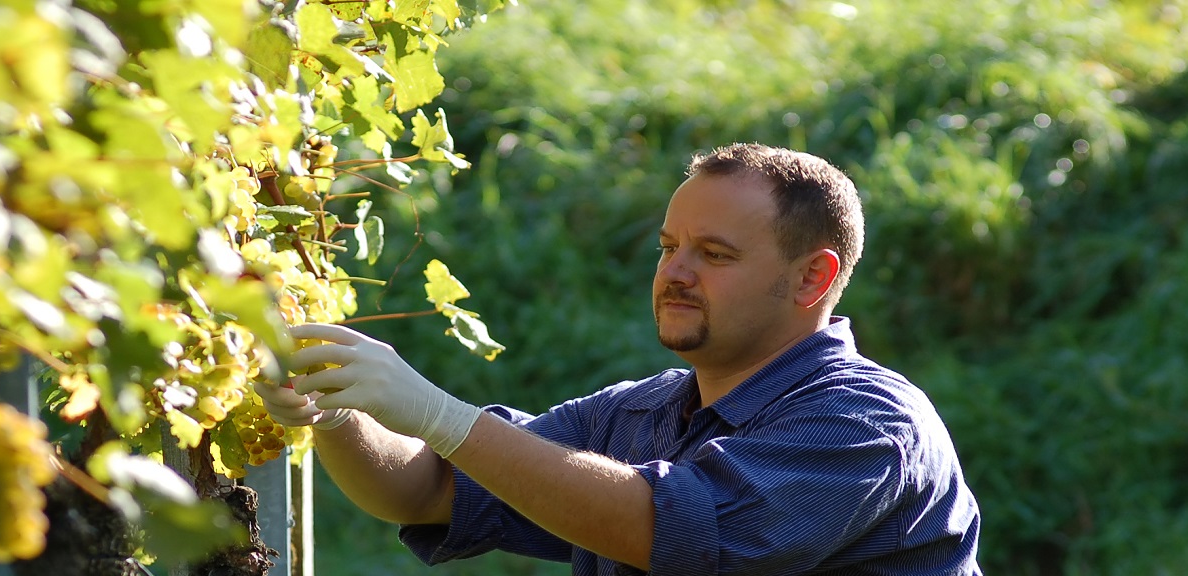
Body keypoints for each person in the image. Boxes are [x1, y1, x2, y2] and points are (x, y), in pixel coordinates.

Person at [253, 143, 982, 575]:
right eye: (669, 247)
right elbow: (427, 491)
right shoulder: (646, 411)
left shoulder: (867, 424)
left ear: (812, 278)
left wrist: (441, 415)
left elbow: (670, 529)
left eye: (715, 254)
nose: (676, 272)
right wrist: (340, 410)